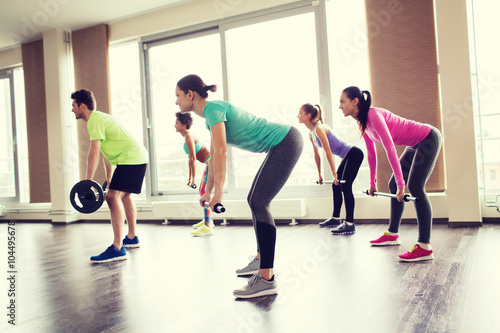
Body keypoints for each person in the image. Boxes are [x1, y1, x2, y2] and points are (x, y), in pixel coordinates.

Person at [175, 74, 303, 298]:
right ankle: (261, 261)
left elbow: (223, 151)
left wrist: (219, 192)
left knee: (259, 201)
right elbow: (214, 154)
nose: (176, 101)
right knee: (255, 200)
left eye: (177, 96)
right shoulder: (210, 117)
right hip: (282, 144)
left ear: (190, 94)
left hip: (286, 141)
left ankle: (266, 278)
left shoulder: (213, 110)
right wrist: (208, 191)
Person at [340, 86, 442, 262]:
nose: (340, 106)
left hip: (428, 137)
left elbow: (389, 148)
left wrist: (403, 186)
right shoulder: (362, 122)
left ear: (355, 101)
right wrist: (373, 182)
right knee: (393, 184)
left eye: (342, 101)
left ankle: (425, 246)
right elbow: (372, 154)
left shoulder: (373, 115)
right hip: (415, 143)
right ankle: (393, 234)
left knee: (416, 187)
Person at [71, 89, 148, 263]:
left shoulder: (94, 120)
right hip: (137, 157)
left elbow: (94, 154)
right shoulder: (100, 118)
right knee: (125, 196)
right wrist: (109, 177)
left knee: (112, 197)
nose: (72, 109)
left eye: (73, 105)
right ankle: (132, 237)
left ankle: (117, 248)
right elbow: (107, 155)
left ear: (82, 106)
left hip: (130, 158)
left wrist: (87, 182)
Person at [298, 103, 364, 235]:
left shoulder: (319, 128)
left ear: (308, 115)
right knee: (336, 186)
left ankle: (350, 224)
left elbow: (328, 152)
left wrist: (334, 174)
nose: (298, 116)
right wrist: (319, 175)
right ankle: (335, 218)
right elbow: (317, 155)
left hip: (354, 154)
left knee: (345, 186)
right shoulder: (311, 133)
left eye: (300, 113)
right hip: (347, 156)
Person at [174, 112, 214, 236]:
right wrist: (191, 178)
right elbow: (190, 159)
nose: (174, 125)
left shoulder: (189, 135)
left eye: (176, 123)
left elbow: (192, 158)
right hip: (209, 163)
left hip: (212, 163)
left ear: (184, 124)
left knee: (204, 192)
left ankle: (207, 226)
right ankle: (208, 222)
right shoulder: (186, 136)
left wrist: (192, 179)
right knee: (202, 192)